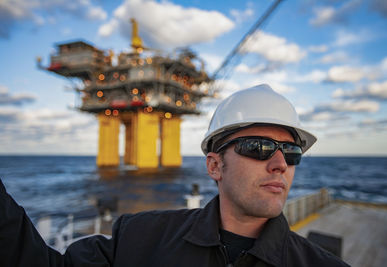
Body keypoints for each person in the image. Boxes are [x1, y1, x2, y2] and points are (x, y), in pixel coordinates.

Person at [0, 84, 349, 266]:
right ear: (214, 166)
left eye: (291, 152)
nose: (280, 165)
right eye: (257, 147)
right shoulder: (138, 238)